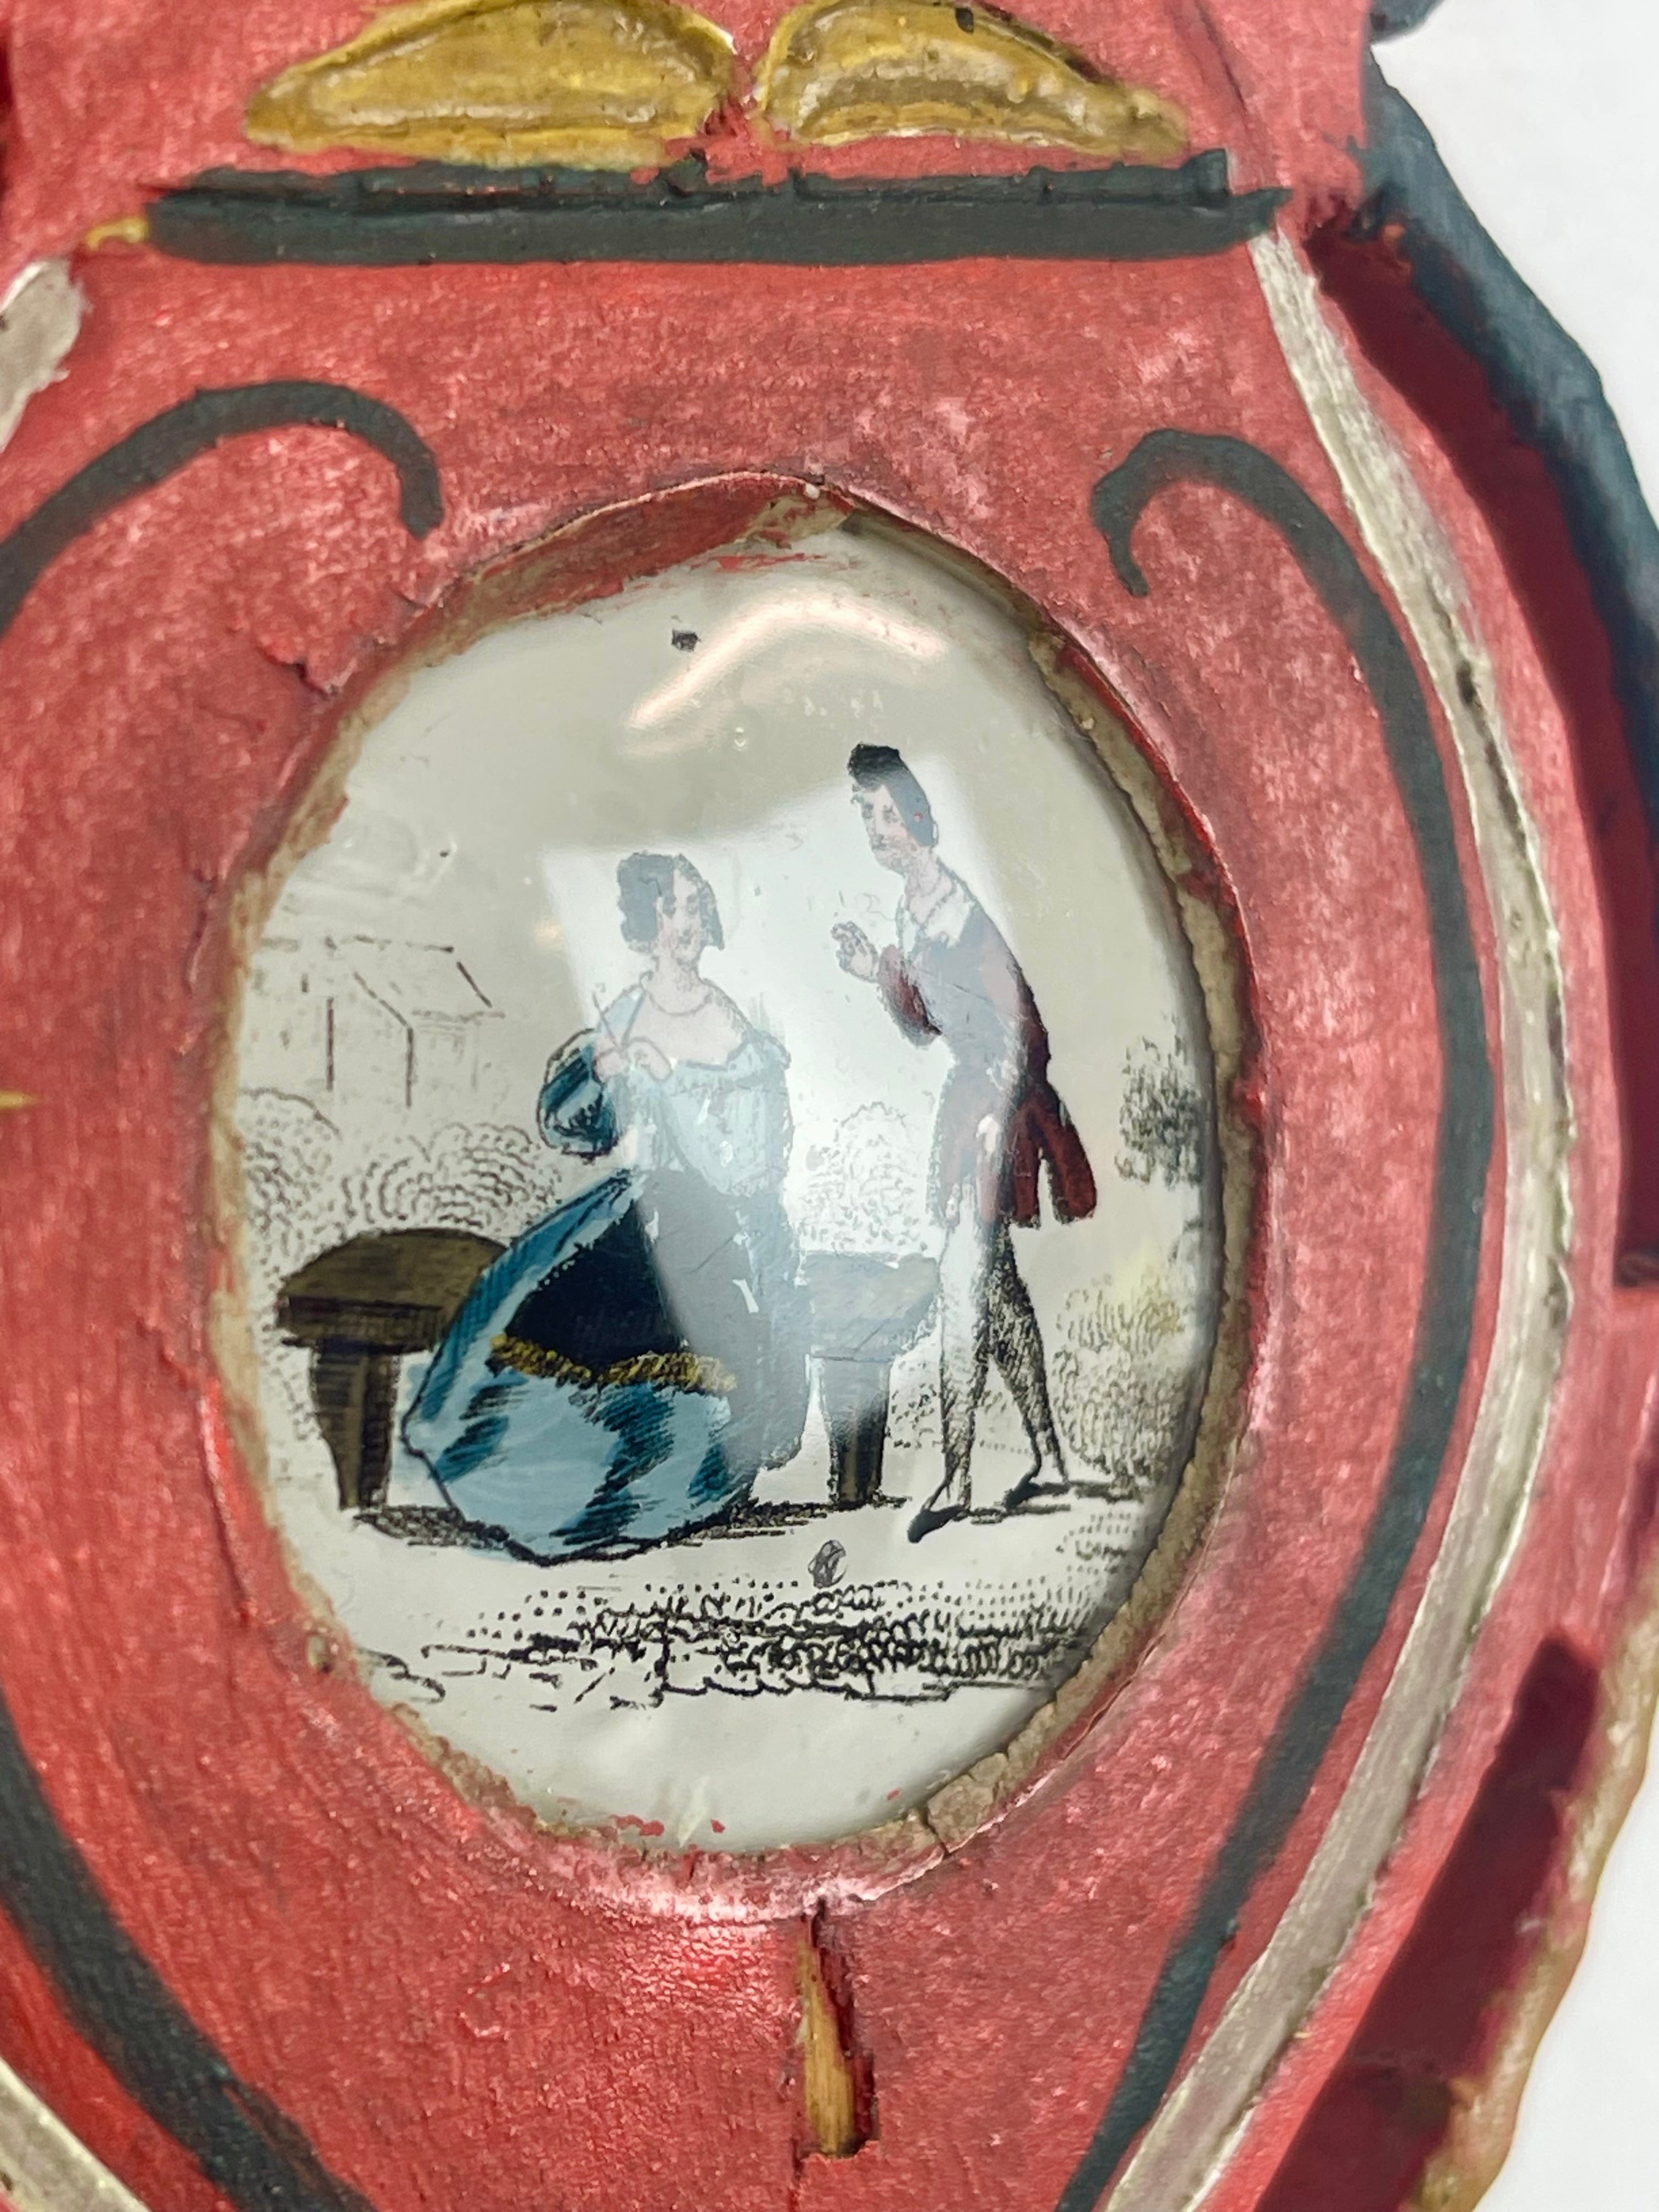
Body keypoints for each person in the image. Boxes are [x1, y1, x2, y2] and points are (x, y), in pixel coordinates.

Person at [403, 853, 809, 1560]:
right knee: (550, 1302)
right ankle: (531, 1488)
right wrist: (601, 1070)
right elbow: (571, 1129)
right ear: (647, 923)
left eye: (692, 906)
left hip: (722, 1230)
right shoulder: (627, 1011)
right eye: (670, 909)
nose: (684, 923)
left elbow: (749, 1165)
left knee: (685, 1339)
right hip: (641, 1212)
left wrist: (670, 1084)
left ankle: (653, 1492)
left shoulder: (731, 1021)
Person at [832, 744, 1096, 1542]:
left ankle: (957, 1476)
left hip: (999, 1108)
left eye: (889, 814)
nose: (878, 830)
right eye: (867, 815)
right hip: (972, 1104)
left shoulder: (958, 908)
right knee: (1000, 1292)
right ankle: (1051, 1462)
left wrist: (1000, 1113)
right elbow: (926, 1024)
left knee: (961, 1285)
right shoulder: (913, 908)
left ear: (918, 816)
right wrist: (875, 971)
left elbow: (1023, 1026)